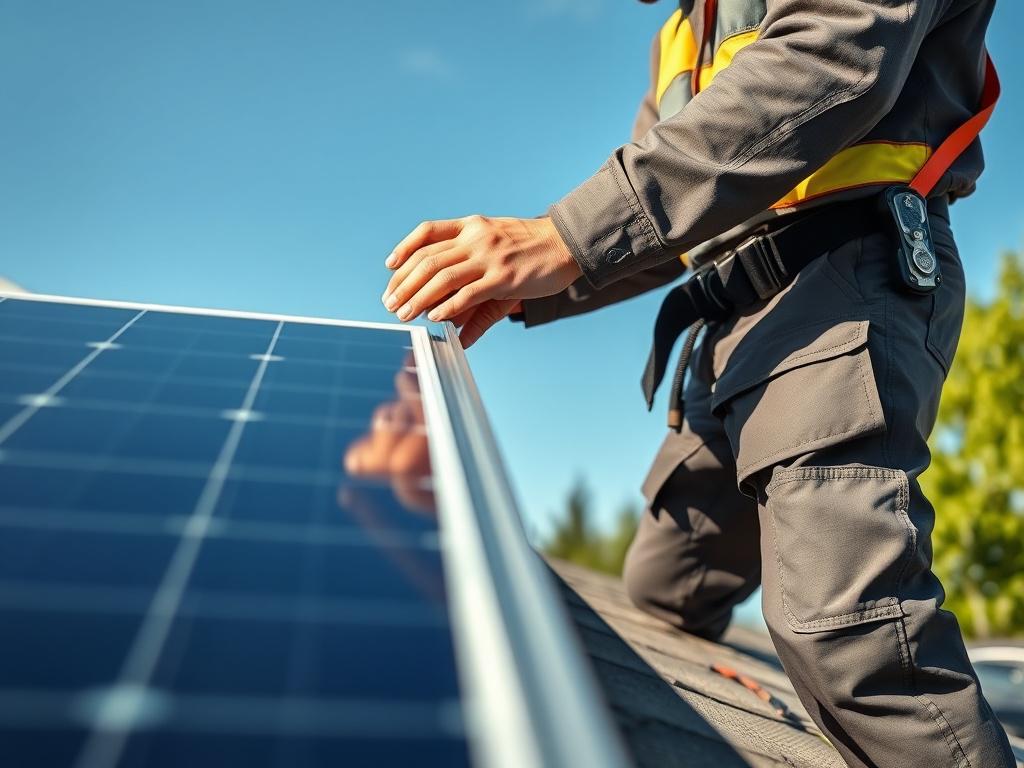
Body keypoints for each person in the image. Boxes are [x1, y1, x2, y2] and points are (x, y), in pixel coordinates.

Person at [380, 1, 1016, 765]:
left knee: (848, 629)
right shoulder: (684, 30)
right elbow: (676, 197)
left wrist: (563, 237)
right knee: (666, 586)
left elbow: (833, 62)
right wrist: (526, 284)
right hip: (736, 318)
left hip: (844, 285)